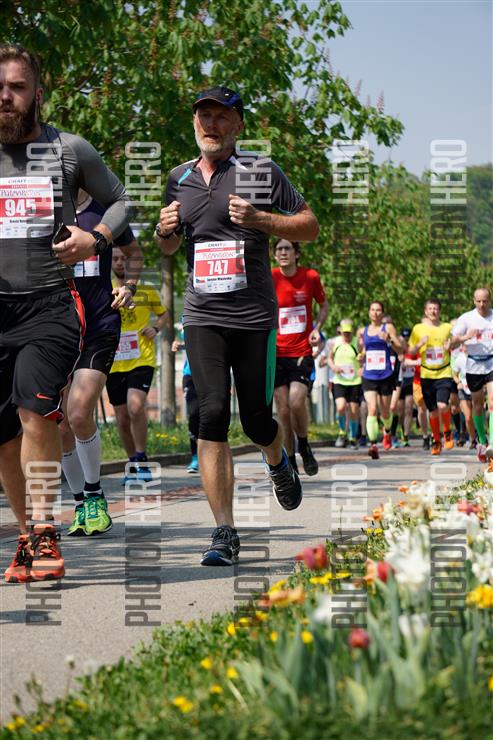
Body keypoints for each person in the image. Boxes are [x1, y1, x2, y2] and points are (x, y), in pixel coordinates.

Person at [156, 86, 319, 566]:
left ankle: (277, 459)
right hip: (202, 315)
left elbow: (309, 225)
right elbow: (168, 247)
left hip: (252, 318)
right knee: (210, 415)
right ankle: (224, 531)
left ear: (239, 125)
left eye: (222, 117)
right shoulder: (178, 178)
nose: (211, 125)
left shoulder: (261, 172)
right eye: (203, 116)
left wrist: (261, 219)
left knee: (256, 419)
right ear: (194, 123)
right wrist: (165, 230)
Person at [0, 45, 129, 583]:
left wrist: (94, 239)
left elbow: (121, 201)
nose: (5, 97)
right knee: (4, 434)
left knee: (35, 410)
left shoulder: (67, 149)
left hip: (50, 303)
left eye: (16, 87)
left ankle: (46, 527)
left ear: (37, 94)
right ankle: (26, 536)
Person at [61, 193, 142, 536]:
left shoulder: (107, 212)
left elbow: (135, 254)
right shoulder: (47, 209)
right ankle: (80, 502)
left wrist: (129, 287)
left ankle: (94, 495)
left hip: (100, 324)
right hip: (56, 327)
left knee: (80, 413)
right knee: (61, 424)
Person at [106, 247, 167, 480]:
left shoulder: (147, 289)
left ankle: (142, 458)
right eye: (115, 259)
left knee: (135, 406)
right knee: (122, 418)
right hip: (114, 362)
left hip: (142, 358)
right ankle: (133, 463)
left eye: (124, 258)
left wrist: (156, 328)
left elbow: (163, 315)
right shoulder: (106, 290)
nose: (120, 263)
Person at [272, 238, 328, 474]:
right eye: (279, 249)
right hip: (276, 353)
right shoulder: (270, 277)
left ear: (296, 254)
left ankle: (303, 444)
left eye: (288, 248)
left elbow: (323, 305)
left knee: (296, 401)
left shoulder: (310, 277)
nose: (283, 252)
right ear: (275, 255)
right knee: (283, 410)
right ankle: (290, 460)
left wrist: (317, 329)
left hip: (301, 351)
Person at [357, 301, 404, 459]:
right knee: (371, 408)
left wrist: (389, 340)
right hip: (369, 374)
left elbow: (400, 349)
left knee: (385, 412)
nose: (375, 313)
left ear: (382, 313)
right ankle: (373, 445)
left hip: (385, 375)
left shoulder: (388, 328)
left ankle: (387, 432)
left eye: (378, 310)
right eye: (372, 310)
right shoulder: (362, 331)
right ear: (369, 312)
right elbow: (363, 350)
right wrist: (361, 356)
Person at [451, 287, 493, 462]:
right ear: (474, 301)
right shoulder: (466, 318)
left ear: (490, 300)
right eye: (478, 301)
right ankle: (482, 441)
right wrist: (465, 337)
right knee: (477, 406)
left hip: (491, 362)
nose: (482, 304)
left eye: (485, 301)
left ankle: (492, 443)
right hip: (473, 365)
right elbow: (452, 343)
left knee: (492, 403)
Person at [408, 299, 454, 456]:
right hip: (426, 374)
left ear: (439, 311)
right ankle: (436, 441)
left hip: (444, 372)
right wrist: (419, 344)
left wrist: (450, 345)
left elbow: (456, 343)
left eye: (435, 309)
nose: (433, 311)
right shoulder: (418, 329)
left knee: (442, 405)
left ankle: (447, 431)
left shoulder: (447, 327)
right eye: (430, 309)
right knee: (432, 411)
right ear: (425, 311)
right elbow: (411, 351)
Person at [325, 319, 362, 448]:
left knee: (354, 410)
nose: (346, 335)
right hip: (339, 380)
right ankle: (342, 432)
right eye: (344, 332)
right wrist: (333, 367)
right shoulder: (335, 342)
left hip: (354, 380)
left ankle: (353, 437)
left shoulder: (357, 342)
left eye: (349, 333)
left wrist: (362, 363)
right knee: (340, 407)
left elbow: (363, 357)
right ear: (340, 331)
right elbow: (329, 358)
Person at [172, 329, 200, 474]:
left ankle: (212, 451)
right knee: (194, 413)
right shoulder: (185, 319)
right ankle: (195, 456)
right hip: (190, 374)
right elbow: (188, 341)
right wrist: (178, 344)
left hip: (212, 371)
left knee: (212, 413)